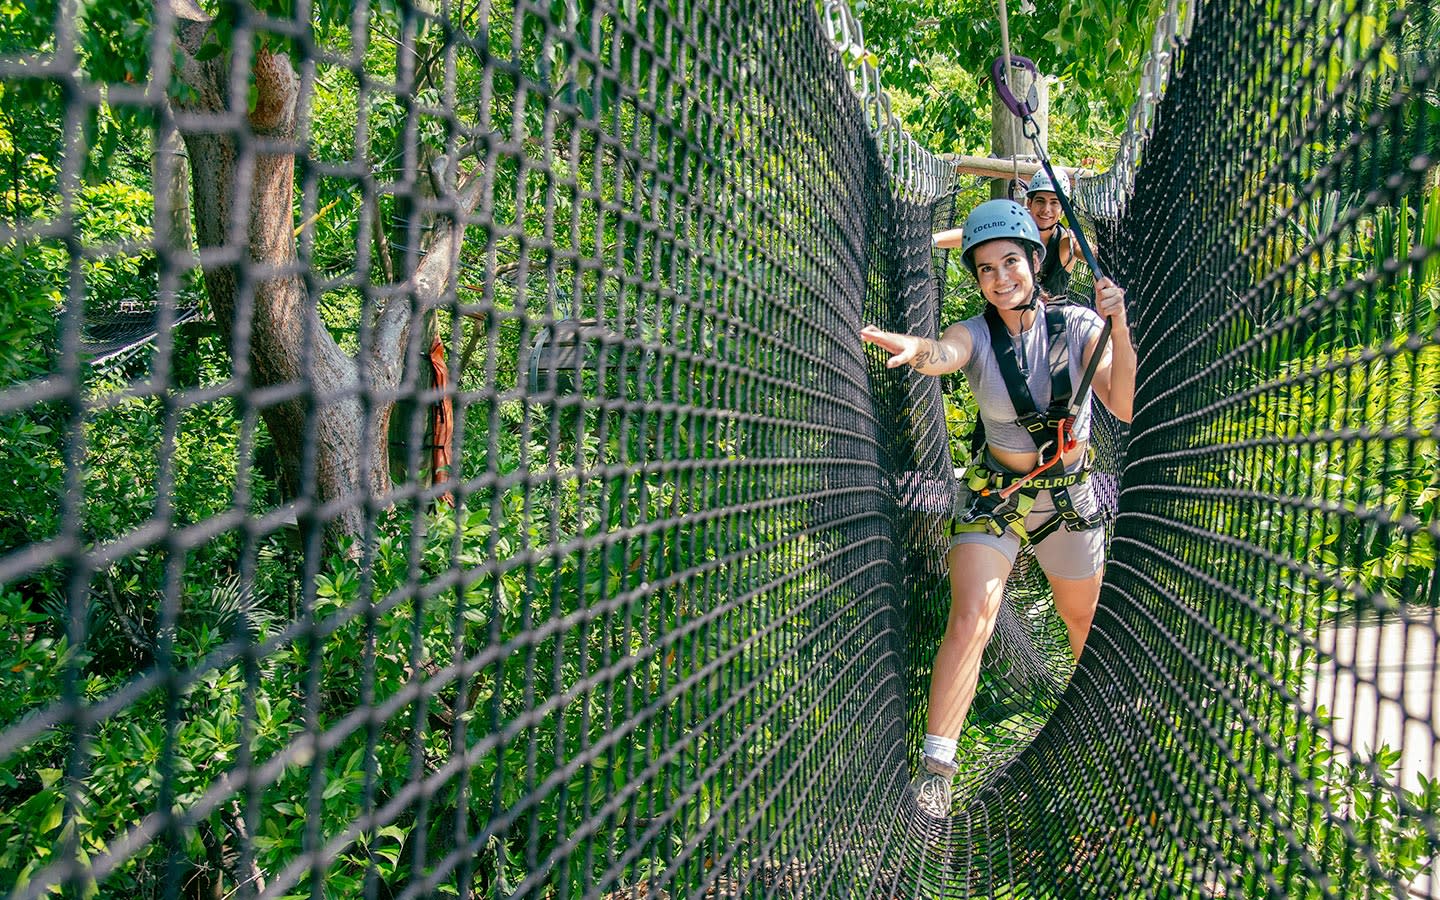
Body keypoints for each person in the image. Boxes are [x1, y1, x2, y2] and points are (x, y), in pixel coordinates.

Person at [858, 199, 1136, 819]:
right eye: (985, 269)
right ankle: (937, 768)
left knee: (1084, 622)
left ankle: (1107, 743)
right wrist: (915, 349)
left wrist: (1119, 325)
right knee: (974, 614)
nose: (1000, 277)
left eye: (1011, 261)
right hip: (998, 494)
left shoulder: (1081, 327)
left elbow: (1121, 403)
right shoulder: (976, 334)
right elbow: (945, 351)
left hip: (1067, 492)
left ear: (1034, 262)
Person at [1024, 169, 1082, 299]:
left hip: (1049, 317)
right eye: (1040, 201)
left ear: (1063, 209)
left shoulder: (1066, 241)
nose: (1046, 210)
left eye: (1054, 202)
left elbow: (1091, 253)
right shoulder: (1016, 238)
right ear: (1029, 203)